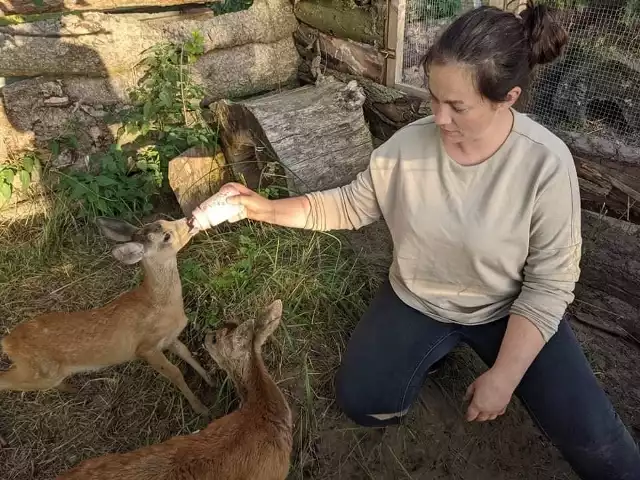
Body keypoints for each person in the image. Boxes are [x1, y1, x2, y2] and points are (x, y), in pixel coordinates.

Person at [210, 2, 640, 478]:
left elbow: (550, 285)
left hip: (512, 309)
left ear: (508, 97)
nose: (439, 118)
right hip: (418, 299)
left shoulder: (545, 164)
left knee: (605, 453)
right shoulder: (406, 147)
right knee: (364, 405)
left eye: (457, 106)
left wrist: (504, 376)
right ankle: (433, 350)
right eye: (433, 97)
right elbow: (349, 205)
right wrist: (260, 207)